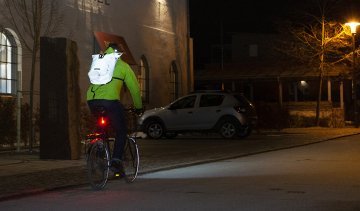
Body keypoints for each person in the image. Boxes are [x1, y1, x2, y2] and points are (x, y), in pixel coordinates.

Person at [86, 43, 143, 174]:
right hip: (110, 101)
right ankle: (116, 161)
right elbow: (134, 89)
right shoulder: (123, 66)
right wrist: (139, 107)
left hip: (92, 100)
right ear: (119, 54)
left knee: (102, 123)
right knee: (121, 130)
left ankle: (98, 147)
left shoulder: (99, 61)